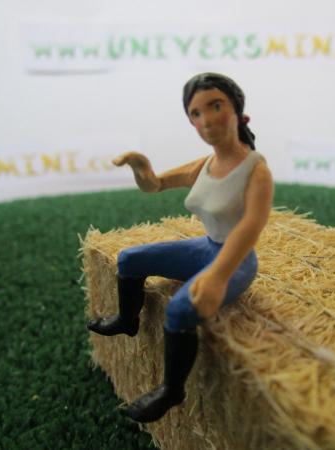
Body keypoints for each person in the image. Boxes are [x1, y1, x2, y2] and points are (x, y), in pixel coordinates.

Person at [87, 72, 274, 423]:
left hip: (236, 262)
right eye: (196, 113)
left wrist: (217, 276)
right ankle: (127, 319)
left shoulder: (256, 171)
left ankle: (172, 390)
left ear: (238, 112)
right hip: (207, 247)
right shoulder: (205, 165)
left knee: (179, 310)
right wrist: (141, 168)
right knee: (129, 259)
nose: (206, 120)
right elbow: (155, 185)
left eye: (215, 106)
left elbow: (250, 228)